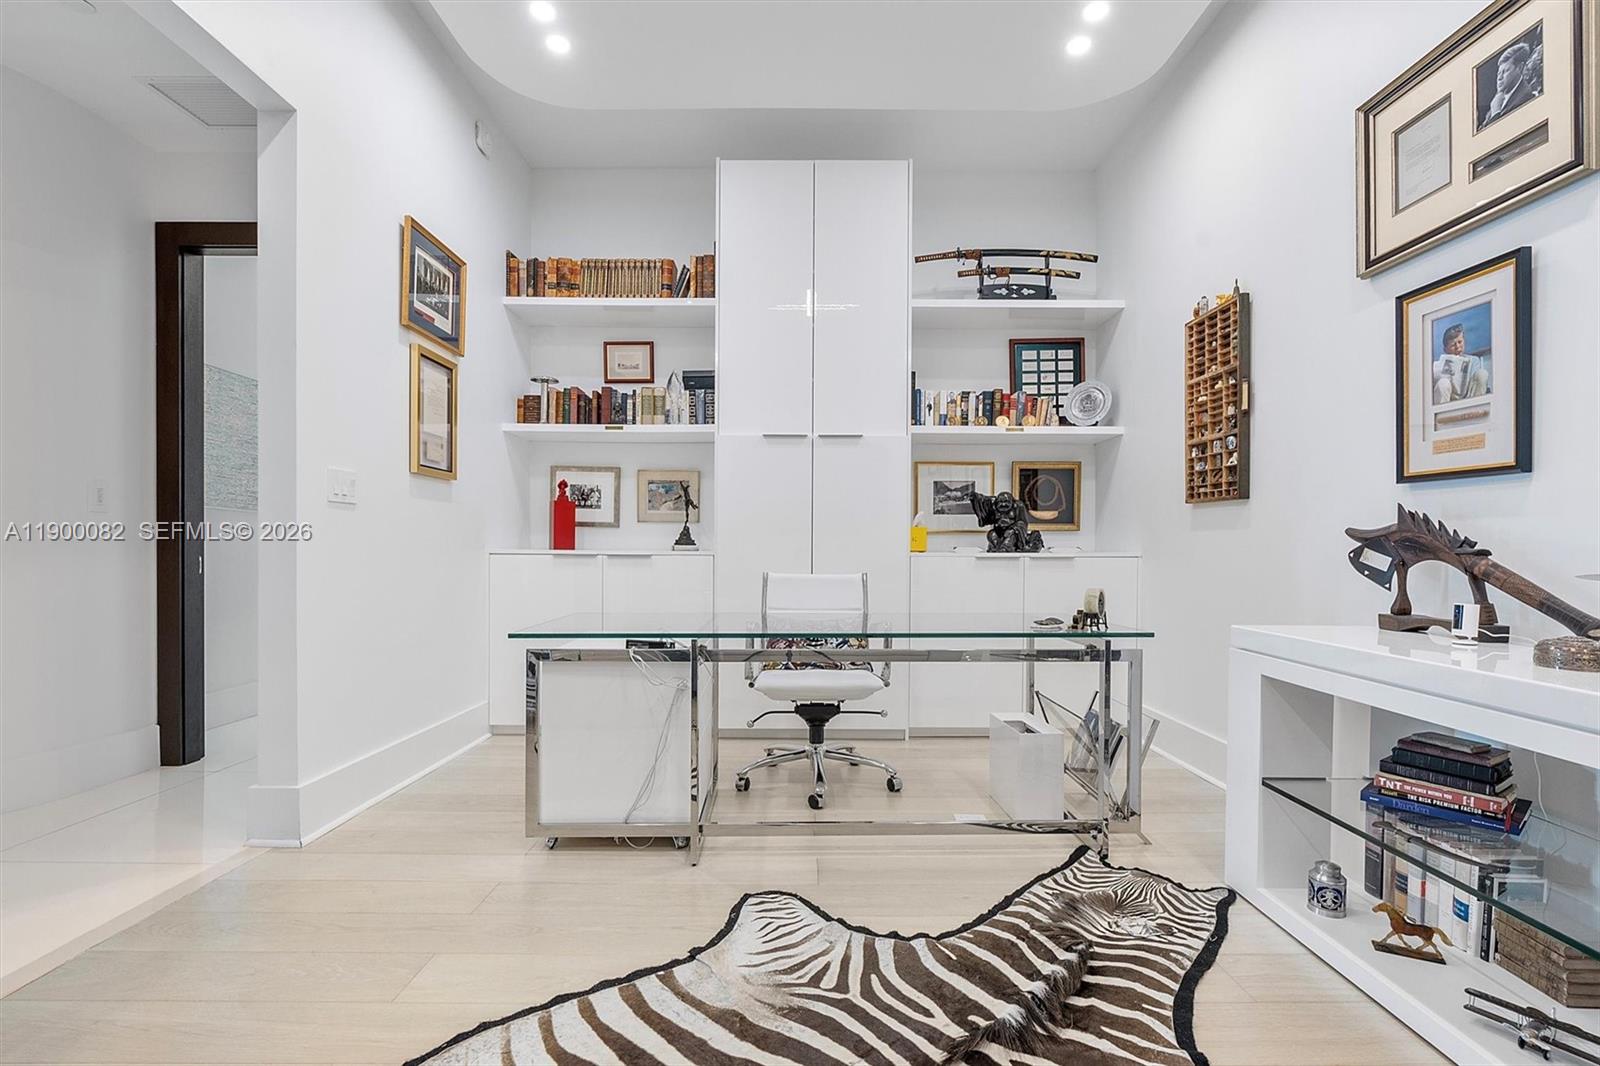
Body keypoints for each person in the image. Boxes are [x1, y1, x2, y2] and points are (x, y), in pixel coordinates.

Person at [1483, 40, 1539, 126]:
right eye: (1498, 73)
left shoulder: (1524, 98)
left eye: (1505, 71)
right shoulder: (1498, 99)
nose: (1499, 78)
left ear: (1520, 68)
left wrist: (1496, 114)